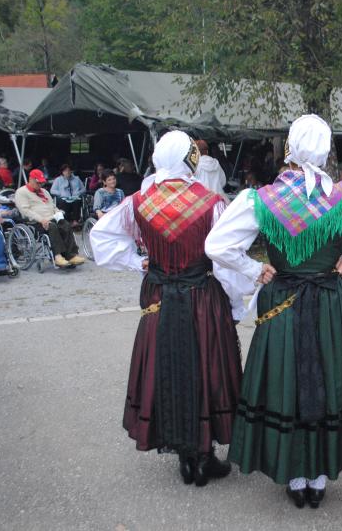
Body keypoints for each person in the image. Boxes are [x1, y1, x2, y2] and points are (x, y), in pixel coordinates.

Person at [206, 114, 342, 509]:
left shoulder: (260, 199)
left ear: (290, 149)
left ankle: (296, 476)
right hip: (331, 301)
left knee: (287, 378)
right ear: (326, 151)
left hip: (283, 300)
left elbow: (217, 245)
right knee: (329, 378)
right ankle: (318, 476)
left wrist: (253, 269)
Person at [91, 130, 250, 488]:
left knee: (168, 365)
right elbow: (225, 261)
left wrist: (137, 261)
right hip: (202, 298)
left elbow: (100, 237)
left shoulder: (138, 201)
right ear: (190, 158)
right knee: (205, 367)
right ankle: (203, 454)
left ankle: (184, 457)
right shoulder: (211, 202)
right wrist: (235, 304)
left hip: (160, 297)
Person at [15, 169, 85, 268]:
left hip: (52, 217)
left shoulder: (44, 191)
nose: (40, 185)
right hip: (35, 221)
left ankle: (71, 255)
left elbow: (52, 206)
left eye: (41, 183)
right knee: (52, 227)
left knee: (66, 224)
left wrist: (58, 212)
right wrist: (41, 219)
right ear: (31, 179)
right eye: (38, 182)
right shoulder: (21, 192)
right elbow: (25, 211)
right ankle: (58, 256)